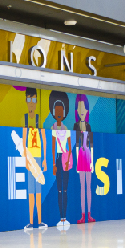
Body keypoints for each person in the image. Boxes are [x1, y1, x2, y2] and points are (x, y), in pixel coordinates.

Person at [23, 88, 47, 230]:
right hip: (31, 158)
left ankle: (40, 220)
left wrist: (44, 158)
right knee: (31, 190)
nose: (31, 103)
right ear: (26, 101)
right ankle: (31, 221)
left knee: (38, 190)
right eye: (29, 100)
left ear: (36, 101)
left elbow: (43, 139)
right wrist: (26, 159)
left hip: (38, 157)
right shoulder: (25, 119)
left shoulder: (39, 120)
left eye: (34, 100)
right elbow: (25, 140)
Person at [49, 91, 71, 227]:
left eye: (61, 111)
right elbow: (52, 146)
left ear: (63, 113)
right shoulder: (52, 129)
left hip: (65, 159)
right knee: (59, 189)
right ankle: (60, 217)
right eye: (56, 111)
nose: (58, 113)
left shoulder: (66, 129)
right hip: (57, 159)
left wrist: (68, 159)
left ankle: (65, 217)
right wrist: (53, 163)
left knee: (65, 189)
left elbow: (69, 146)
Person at [74, 94, 95, 224]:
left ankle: (89, 214)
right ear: (77, 110)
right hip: (81, 158)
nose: (82, 111)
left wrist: (92, 161)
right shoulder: (76, 126)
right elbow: (76, 146)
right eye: (79, 108)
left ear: (87, 111)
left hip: (88, 157)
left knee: (89, 186)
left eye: (84, 108)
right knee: (82, 186)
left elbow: (91, 146)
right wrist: (77, 161)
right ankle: (83, 214)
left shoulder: (89, 126)